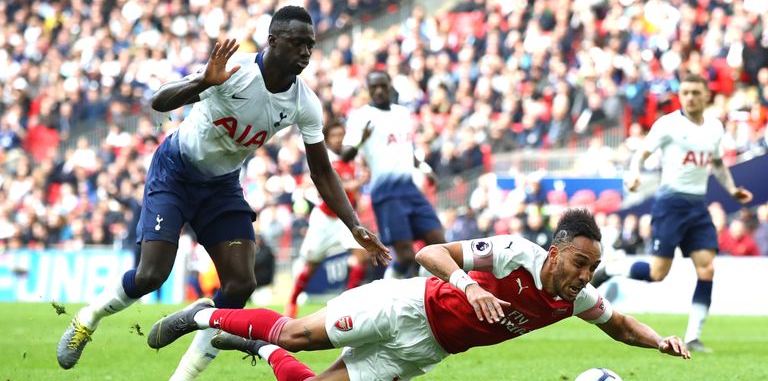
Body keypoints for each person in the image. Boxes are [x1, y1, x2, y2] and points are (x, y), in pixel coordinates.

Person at [56, 6, 390, 380]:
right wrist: (202, 83)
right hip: (176, 172)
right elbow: (159, 101)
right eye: (298, 43)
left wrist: (354, 224)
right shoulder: (235, 70)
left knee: (240, 284)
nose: (306, 53)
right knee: (151, 275)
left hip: (222, 186)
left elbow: (321, 169)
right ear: (273, 41)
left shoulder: (305, 102)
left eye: (310, 45)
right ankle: (88, 319)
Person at [147, 208, 690, 381]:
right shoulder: (514, 252)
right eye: (579, 263)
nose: (585, 276)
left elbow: (620, 325)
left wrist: (659, 341)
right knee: (299, 334)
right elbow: (433, 252)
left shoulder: (575, 300)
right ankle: (206, 316)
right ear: (555, 252)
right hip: (407, 304)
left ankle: (252, 345)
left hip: (423, 350)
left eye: (593, 268)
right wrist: (467, 286)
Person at [592, 74, 753, 353]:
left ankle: (693, 336)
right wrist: (633, 176)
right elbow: (640, 153)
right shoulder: (668, 125)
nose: (689, 97)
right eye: (685, 92)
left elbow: (717, 163)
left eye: (694, 92)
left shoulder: (714, 128)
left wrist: (732, 189)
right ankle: (612, 267)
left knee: (707, 268)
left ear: (706, 96)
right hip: (670, 204)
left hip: (697, 206)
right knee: (657, 273)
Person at [341, 70, 445, 279]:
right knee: (405, 256)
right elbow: (345, 154)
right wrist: (362, 139)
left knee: (440, 244)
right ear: (369, 90)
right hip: (387, 194)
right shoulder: (361, 117)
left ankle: (430, 294)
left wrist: (425, 169)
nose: (379, 91)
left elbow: (408, 147)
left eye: (383, 86)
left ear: (390, 87)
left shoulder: (402, 113)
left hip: (411, 190)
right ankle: (388, 294)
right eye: (374, 88)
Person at [285, 119, 369, 318]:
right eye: (334, 136)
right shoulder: (325, 159)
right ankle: (293, 299)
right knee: (313, 264)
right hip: (324, 218)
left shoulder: (349, 161)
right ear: (327, 139)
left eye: (341, 135)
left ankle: (346, 302)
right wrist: (356, 184)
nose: (338, 139)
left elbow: (351, 188)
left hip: (344, 220)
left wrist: (358, 197)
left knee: (362, 257)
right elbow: (333, 189)